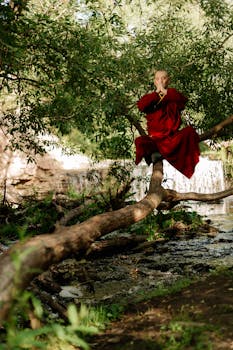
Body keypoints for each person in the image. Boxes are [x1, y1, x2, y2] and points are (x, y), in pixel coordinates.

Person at [134, 70, 200, 179]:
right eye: (158, 79)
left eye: (163, 78)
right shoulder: (149, 97)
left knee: (189, 132)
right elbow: (141, 106)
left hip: (172, 138)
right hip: (156, 139)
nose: (160, 81)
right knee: (140, 141)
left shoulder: (172, 94)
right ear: (154, 81)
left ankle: (158, 154)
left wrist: (164, 91)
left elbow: (182, 101)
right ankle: (161, 153)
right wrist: (156, 93)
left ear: (168, 80)